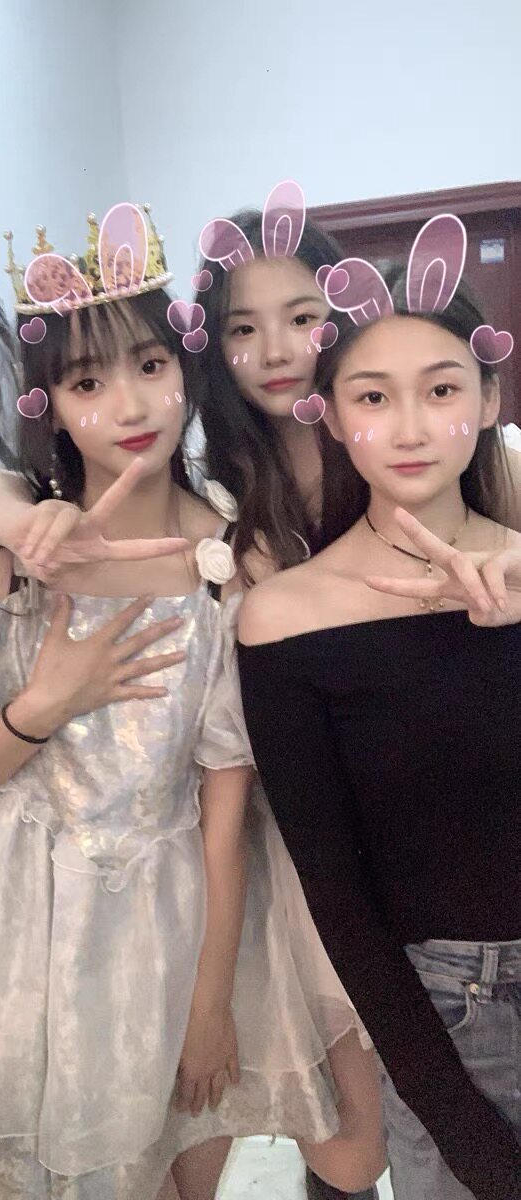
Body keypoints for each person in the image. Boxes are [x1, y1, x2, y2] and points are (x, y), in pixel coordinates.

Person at [0, 206, 385, 1200]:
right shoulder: (11, 559)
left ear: (186, 372)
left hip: (179, 913)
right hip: (17, 923)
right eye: (86, 382)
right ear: (51, 406)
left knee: (196, 1164)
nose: (128, 403)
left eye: (150, 365)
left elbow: (224, 803)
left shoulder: (234, 557)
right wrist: (40, 703)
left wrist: (209, 1004)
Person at [237, 270, 521, 1200]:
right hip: (453, 1010)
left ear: (489, 401)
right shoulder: (286, 617)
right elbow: (338, 891)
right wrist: (456, 1120)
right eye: (372, 397)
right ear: (330, 417)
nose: (408, 428)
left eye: (440, 390)